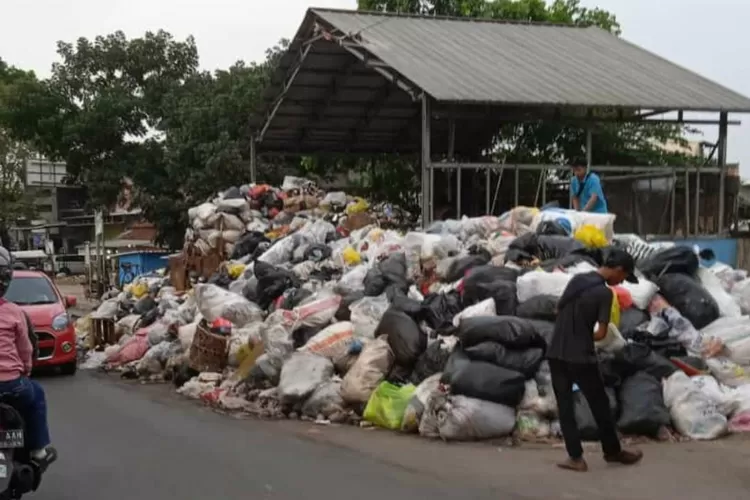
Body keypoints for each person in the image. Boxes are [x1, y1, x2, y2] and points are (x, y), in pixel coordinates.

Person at [546, 248, 642, 472]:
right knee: (599, 404)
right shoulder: (605, 294)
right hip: (581, 357)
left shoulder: (577, 280)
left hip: (555, 353)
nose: (622, 282)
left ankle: (576, 458)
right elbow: (600, 333)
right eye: (624, 277)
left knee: (565, 407)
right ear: (618, 270)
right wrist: (584, 335)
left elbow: (558, 309)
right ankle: (612, 451)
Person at [0, 247, 56, 465]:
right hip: (13, 385)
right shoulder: (14, 312)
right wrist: (27, 369)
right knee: (37, 395)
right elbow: (25, 348)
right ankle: (38, 450)